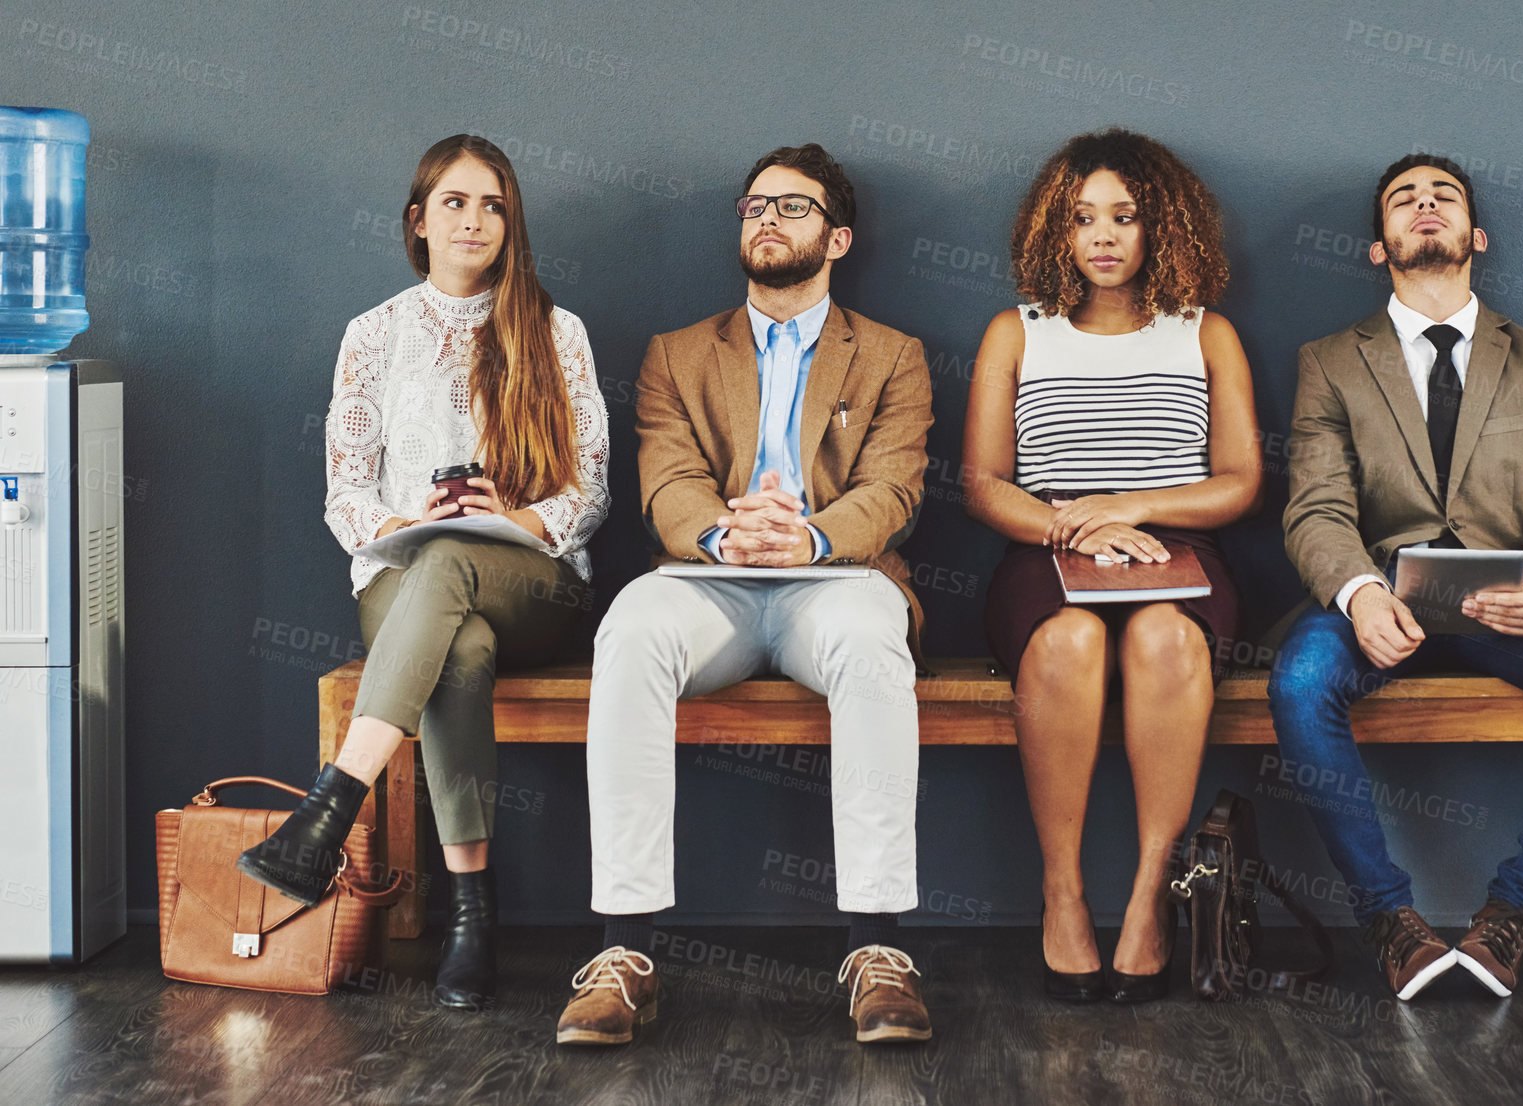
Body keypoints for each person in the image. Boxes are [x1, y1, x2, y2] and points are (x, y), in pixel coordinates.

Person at [555, 144, 934, 1046]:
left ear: (837, 237)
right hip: (707, 581)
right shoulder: (677, 353)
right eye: (753, 206)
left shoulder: (891, 355)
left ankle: (878, 949)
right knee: (631, 629)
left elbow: (894, 490)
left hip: (836, 579)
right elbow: (667, 480)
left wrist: (804, 537)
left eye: (792, 208)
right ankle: (624, 952)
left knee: (875, 644)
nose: (766, 220)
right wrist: (730, 535)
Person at [237, 134, 610, 1011]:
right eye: (454, 202)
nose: (474, 220)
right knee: (460, 650)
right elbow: (345, 498)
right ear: (418, 220)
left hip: (535, 579)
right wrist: (410, 521)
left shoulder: (556, 331)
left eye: (492, 204)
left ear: (510, 222)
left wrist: (503, 513)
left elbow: (587, 495)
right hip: (401, 580)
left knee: (459, 570)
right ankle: (471, 913)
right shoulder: (373, 334)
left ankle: (328, 810)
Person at [1268, 153, 1523, 1000]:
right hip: (1376, 600)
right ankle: (1388, 923)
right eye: (1403, 199)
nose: (1423, 204)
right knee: (1297, 681)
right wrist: (1360, 594)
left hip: (1517, 606)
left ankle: (1510, 916)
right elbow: (1316, 509)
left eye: (1443, 196)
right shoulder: (1329, 360)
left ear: (1476, 235)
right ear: (1379, 247)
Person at [961, 128, 1262, 1004]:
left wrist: (1131, 508)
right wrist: (1072, 528)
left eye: (1123, 218)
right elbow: (982, 484)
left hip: (1181, 550)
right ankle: (1062, 896)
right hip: (1045, 552)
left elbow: (1240, 482)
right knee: (1069, 646)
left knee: (1168, 641)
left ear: (1158, 229)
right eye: (1081, 218)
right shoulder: (1015, 332)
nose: (1101, 236)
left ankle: (1146, 899)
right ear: (1053, 232)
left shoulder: (1206, 334)